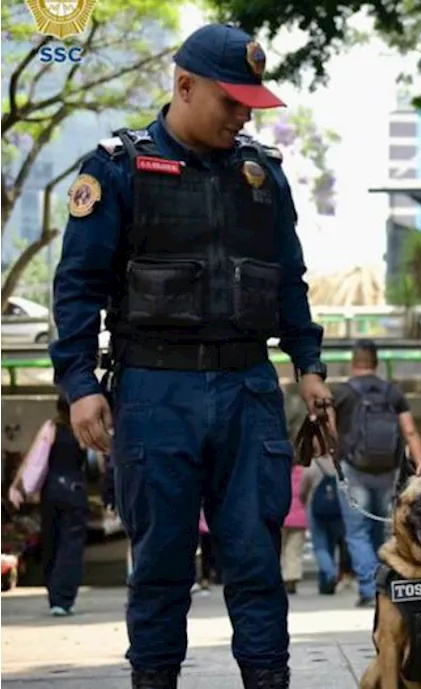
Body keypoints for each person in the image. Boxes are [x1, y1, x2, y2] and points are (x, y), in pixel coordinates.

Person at [48, 24, 331, 689]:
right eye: (230, 102)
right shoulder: (116, 167)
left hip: (247, 389)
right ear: (183, 85)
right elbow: (78, 284)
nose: (242, 116)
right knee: (160, 565)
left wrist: (309, 367)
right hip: (153, 391)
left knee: (257, 562)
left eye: (250, 106)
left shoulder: (263, 176)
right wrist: (80, 383)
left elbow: (288, 279)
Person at [330, 339, 421, 607]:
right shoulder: (392, 392)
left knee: (357, 530)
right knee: (379, 527)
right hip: (387, 470)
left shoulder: (342, 393)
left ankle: (370, 588)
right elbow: (409, 431)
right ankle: (382, 582)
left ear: (353, 362)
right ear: (376, 363)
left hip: (354, 468)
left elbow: (331, 433)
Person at [8, 395, 90, 617]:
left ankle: (54, 595)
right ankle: (64, 598)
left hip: (51, 491)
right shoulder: (83, 428)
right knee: (71, 545)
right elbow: (95, 463)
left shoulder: (50, 427)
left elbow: (35, 459)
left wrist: (20, 485)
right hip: (75, 489)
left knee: (52, 541)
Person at [299, 454, 345, 594]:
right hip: (337, 511)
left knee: (320, 547)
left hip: (317, 510)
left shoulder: (312, 466)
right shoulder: (339, 464)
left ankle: (330, 574)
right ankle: (324, 584)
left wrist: (305, 502)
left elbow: (303, 491)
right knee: (330, 546)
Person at [280, 465, 308, 594]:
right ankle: (292, 577)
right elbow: (305, 492)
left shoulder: (278, 471)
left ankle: (282, 576)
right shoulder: (302, 472)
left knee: (281, 549)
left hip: (281, 516)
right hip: (300, 518)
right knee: (295, 551)